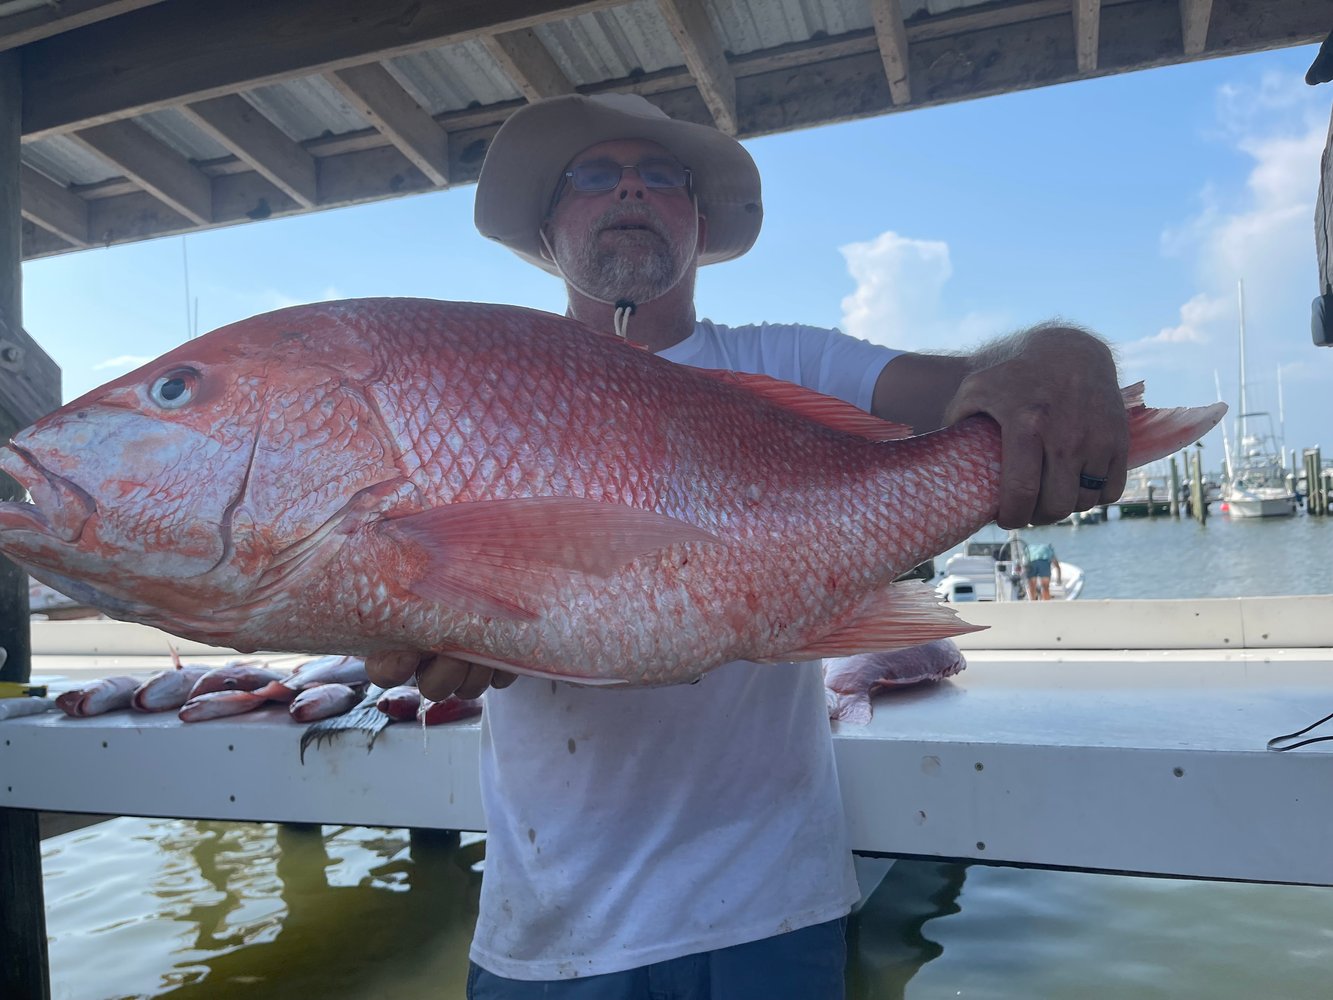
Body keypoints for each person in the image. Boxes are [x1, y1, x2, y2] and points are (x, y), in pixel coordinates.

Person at [365, 93, 1128, 997]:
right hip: (548, 933)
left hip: (774, 910)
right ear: (547, 225)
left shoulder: (790, 362)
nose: (631, 192)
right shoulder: (480, 383)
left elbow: (983, 392)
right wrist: (414, 623)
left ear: (697, 219)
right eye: (594, 177)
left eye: (663, 177)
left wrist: (1059, 352)